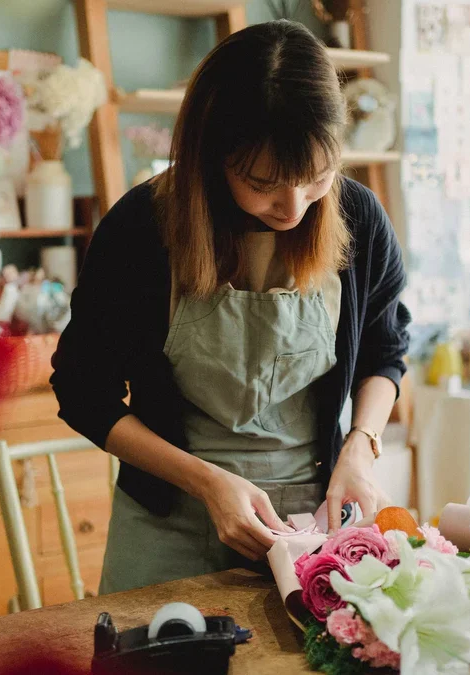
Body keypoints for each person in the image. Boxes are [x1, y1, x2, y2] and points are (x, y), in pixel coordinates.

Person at [50, 20, 410, 595]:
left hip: (310, 521)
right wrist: (209, 483)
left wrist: (360, 449)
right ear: (213, 155)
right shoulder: (143, 227)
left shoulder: (360, 220)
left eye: (316, 178)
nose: (293, 207)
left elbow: (384, 352)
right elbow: (82, 392)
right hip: (169, 516)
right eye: (265, 182)